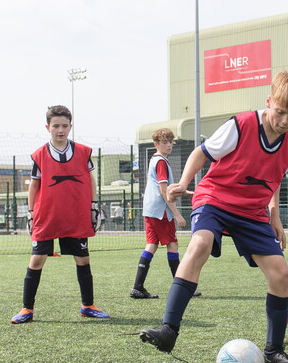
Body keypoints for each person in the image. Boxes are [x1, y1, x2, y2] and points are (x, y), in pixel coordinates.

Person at [138, 71, 288, 363]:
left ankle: (274, 351)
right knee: (200, 244)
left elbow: (273, 178)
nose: (285, 121)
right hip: (215, 198)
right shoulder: (241, 125)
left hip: (252, 210)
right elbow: (200, 153)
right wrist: (182, 183)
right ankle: (168, 331)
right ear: (269, 101)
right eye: (280, 112)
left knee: (281, 273)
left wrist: (274, 215)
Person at [10, 105, 109, 324]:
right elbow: (33, 186)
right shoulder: (39, 155)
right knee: (36, 260)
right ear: (48, 127)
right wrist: (30, 212)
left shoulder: (83, 152)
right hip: (47, 215)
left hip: (76, 214)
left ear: (70, 126)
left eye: (65, 126)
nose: (60, 130)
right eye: (56, 126)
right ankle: (27, 309)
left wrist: (93, 205)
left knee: (83, 259)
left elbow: (91, 180)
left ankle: (88, 306)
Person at [130, 128, 195, 299]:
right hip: (161, 211)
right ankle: (182, 288)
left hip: (151, 209)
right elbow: (164, 191)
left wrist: (185, 192)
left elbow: (166, 188)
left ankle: (137, 286)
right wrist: (178, 215)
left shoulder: (155, 160)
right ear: (156, 144)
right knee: (172, 244)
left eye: (170, 141)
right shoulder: (161, 162)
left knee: (151, 245)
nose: (168, 145)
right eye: (164, 142)